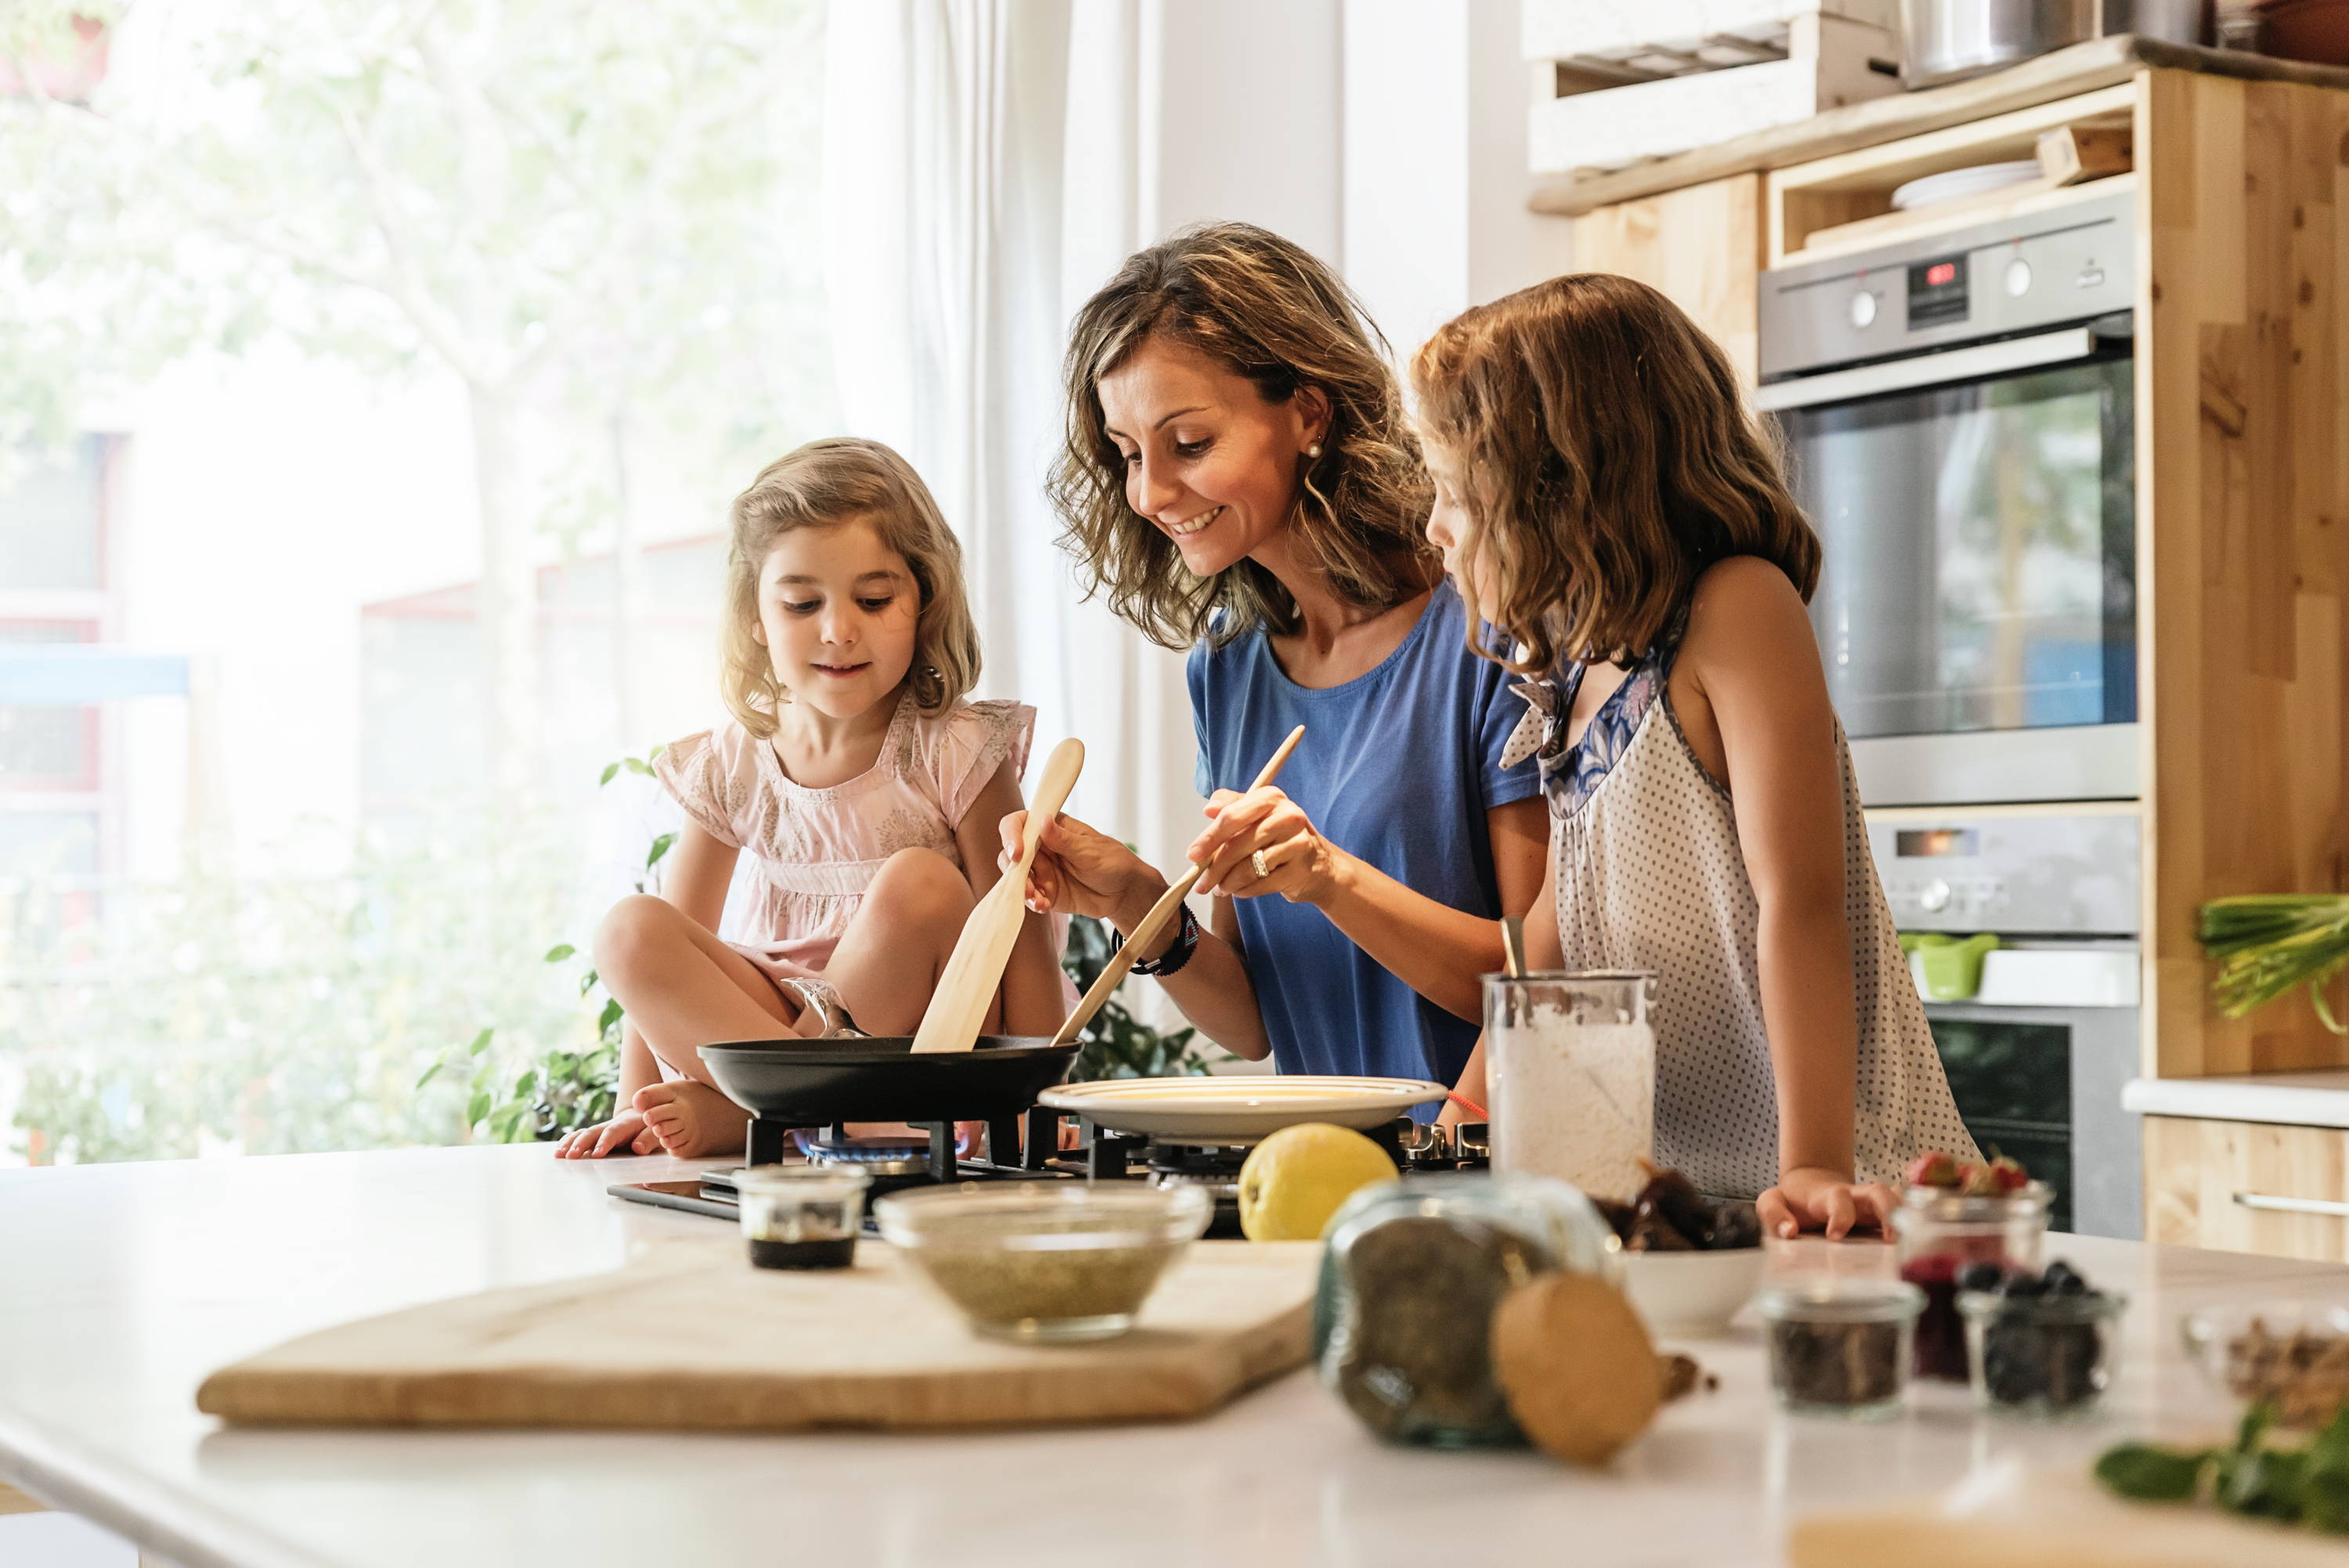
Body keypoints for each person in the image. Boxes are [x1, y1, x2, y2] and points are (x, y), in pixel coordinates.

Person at [1410, 272, 1978, 1238]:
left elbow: (1800, 901)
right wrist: (1456, 1127)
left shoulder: (1738, 609)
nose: (1436, 527)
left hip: (1846, 1187)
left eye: (1457, 492)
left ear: (1562, 481)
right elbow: (1554, 931)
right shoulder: (1573, 665)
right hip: (1690, 1198)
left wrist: (1814, 1165)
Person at [1005, 222, 1547, 1101]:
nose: (1148, 493)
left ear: (1307, 413)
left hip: (1470, 1185)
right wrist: (1138, 897)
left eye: (1188, 444)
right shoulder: (1228, 666)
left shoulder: (1488, 631)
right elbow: (1256, 1018)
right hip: (1318, 1181)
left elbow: (1540, 985)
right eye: (1128, 454)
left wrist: (1331, 878)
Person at [555, 438, 1066, 1159]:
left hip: (913, 1049)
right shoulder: (732, 761)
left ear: (924, 601)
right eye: (802, 602)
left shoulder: (955, 747)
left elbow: (1021, 942)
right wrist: (630, 1103)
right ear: (757, 617)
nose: (838, 629)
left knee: (918, 881)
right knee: (631, 929)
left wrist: (1030, 1110)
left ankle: (771, 1115)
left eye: (874, 598)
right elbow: (678, 938)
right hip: (778, 1023)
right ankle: (811, 1115)